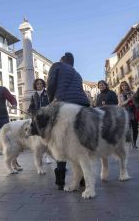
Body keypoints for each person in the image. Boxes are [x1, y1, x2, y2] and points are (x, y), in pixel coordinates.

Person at [47, 52, 90, 190]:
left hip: (65, 106)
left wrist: (51, 100)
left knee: (61, 141)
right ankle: (83, 178)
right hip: (82, 106)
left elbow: (51, 83)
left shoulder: (57, 66)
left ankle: (60, 180)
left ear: (62, 60)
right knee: (79, 142)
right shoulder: (77, 73)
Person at [28, 78, 52, 164]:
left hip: (47, 118)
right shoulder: (34, 95)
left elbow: (51, 104)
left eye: (40, 84)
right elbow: (32, 106)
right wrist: (30, 110)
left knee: (48, 137)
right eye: (37, 84)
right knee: (41, 137)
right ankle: (43, 154)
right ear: (35, 85)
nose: (39, 85)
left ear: (43, 85)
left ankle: (48, 155)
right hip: (38, 120)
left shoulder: (47, 94)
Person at [118, 81, 139, 149]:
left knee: (135, 129)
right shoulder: (120, 95)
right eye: (123, 86)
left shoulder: (132, 92)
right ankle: (129, 142)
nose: (125, 87)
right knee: (127, 130)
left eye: (126, 85)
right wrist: (129, 99)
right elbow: (121, 104)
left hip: (134, 112)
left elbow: (137, 100)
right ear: (121, 87)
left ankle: (134, 143)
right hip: (125, 114)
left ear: (128, 86)